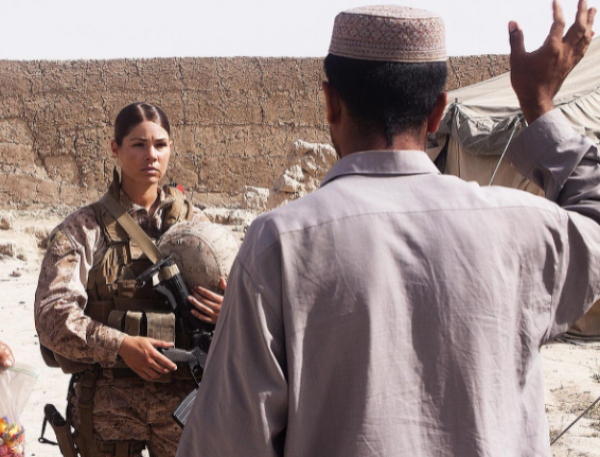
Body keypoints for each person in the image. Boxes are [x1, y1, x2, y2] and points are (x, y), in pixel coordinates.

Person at [177, 2, 600, 456]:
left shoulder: (279, 245)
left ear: (330, 103)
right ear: (438, 111)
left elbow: (228, 444)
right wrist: (539, 104)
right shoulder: (519, 228)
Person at [34, 102, 225, 457]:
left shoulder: (200, 229)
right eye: (138, 144)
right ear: (116, 149)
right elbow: (52, 317)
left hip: (186, 409)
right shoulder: (83, 229)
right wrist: (120, 345)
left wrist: (228, 311)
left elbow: (253, 310)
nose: (151, 155)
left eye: (160, 145)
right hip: (108, 410)